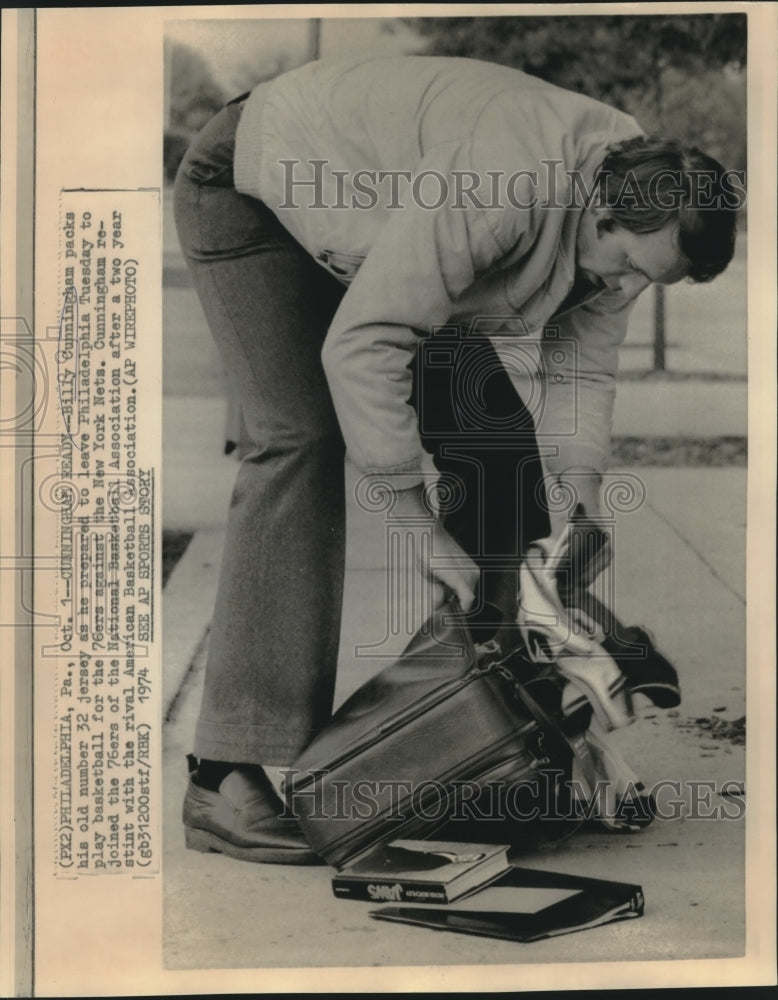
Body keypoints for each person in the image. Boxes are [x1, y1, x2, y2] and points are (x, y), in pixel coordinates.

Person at [173, 55, 738, 864]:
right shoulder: (508, 181)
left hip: (382, 227)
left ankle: (491, 738)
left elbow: (582, 367)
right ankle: (222, 777)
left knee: (497, 450)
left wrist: (579, 499)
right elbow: (366, 344)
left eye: (651, 282)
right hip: (254, 181)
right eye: (630, 268)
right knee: (299, 438)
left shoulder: (635, 204)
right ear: (603, 211)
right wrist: (418, 530)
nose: (628, 286)